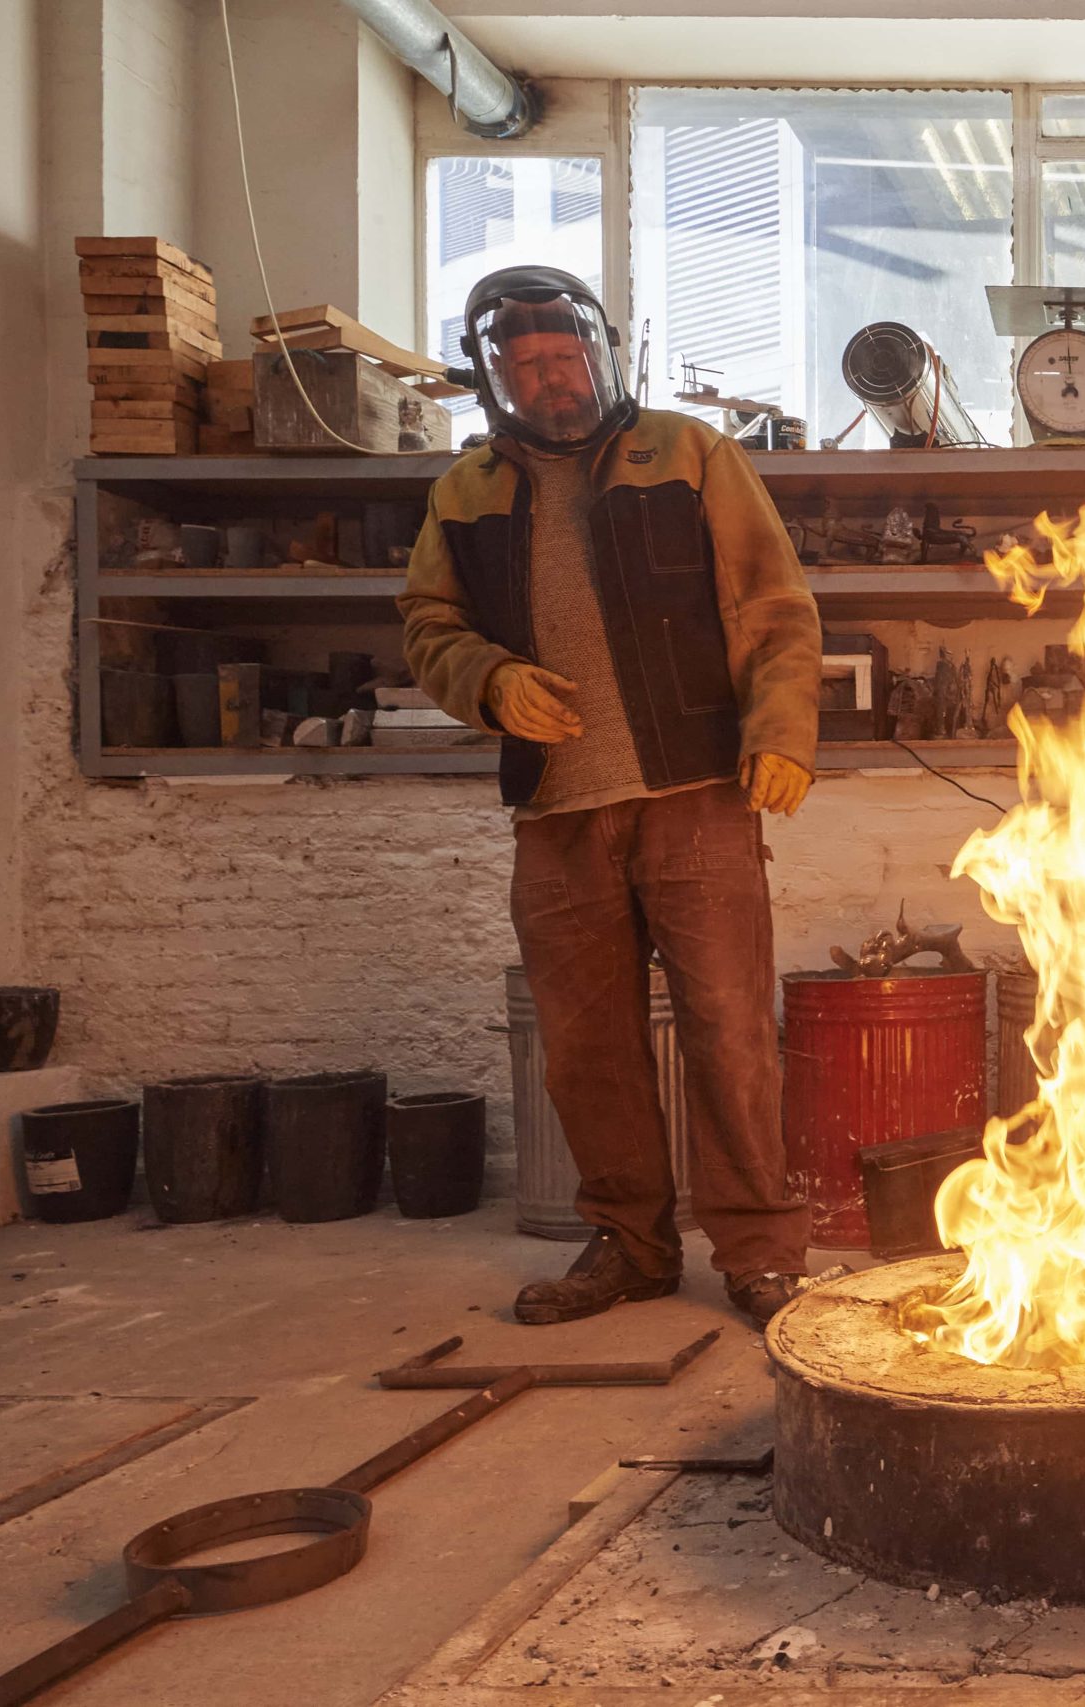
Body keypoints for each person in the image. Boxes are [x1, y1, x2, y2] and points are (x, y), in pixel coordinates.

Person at [397, 266, 820, 1326]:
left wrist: (780, 734)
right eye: (525, 365)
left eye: (563, 356)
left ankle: (759, 1251)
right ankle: (631, 1243)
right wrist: (487, 681)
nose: (549, 378)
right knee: (586, 1043)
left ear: (600, 352)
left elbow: (771, 604)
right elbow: (428, 629)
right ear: (496, 379)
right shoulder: (465, 490)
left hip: (694, 797)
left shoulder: (688, 452)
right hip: (557, 813)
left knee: (728, 1027)